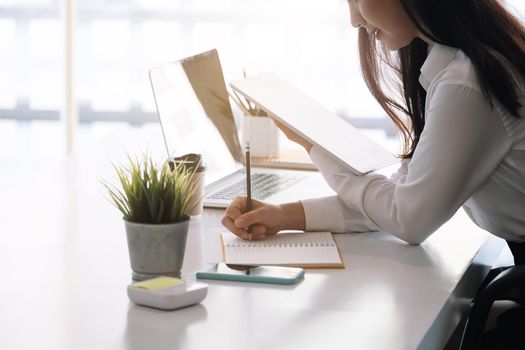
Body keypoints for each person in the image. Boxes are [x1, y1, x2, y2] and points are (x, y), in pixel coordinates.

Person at [222, 0, 525, 262]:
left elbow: (408, 219)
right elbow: (400, 200)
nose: (355, 20)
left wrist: (314, 147)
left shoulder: (465, 83)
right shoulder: (459, 68)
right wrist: (284, 216)